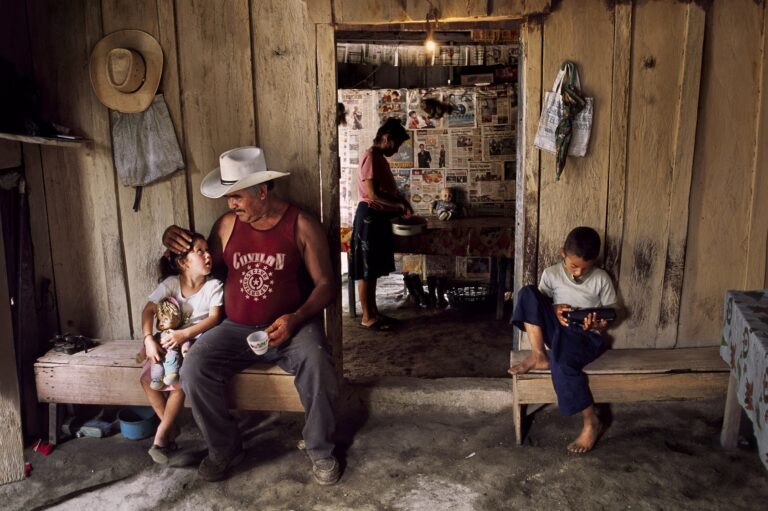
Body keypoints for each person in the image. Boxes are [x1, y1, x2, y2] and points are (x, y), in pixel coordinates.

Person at [162, 146, 339, 484]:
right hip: (235, 328)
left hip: (292, 327)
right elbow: (200, 267)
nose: (231, 204)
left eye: (237, 196)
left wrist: (295, 319)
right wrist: (173, 241)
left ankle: (321, 450)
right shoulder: (227, 225)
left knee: (317, 362)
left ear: (261, 191)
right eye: (228, 197)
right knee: (195, 366)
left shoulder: (301, 225)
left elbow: (327, 286)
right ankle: (225, 449)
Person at [508, 226, 618, 454]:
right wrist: (554, 307)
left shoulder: (601, 278)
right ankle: (538, 354)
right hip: (558, 330)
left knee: (561, 363)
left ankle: (591, 422)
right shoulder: (551, 274)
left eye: (585, 268)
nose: (578, 273)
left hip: (585, 337)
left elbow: (614, 312)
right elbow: (536, 308)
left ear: (594, 261)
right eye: (574, 266)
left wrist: (598, 323)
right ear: (562, 254)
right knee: (527, 293)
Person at [140, 233, 224, 464]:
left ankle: (160, 436)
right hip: (167, 341)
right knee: (147, 379)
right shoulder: (171, 284)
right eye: (200, 251)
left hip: (194, 342)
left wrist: (185, 334)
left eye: (208, 251)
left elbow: (215, 318)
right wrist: (148, 339)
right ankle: (171, 429)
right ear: (183, 262)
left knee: (177, 382)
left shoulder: (214, 286)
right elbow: (148, 311)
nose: (208, 255)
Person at [350, 118, 413, 331]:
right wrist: (399, 202)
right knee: (367, 270)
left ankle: (374, 313)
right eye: (396, 144)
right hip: (369, 217)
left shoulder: (378, 158)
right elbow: (373, 194)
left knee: (373, 269)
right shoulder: (371, 157)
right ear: (386, 138)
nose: (396, 150)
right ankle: (367, 317)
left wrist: (399, 203)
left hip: (377, 218)